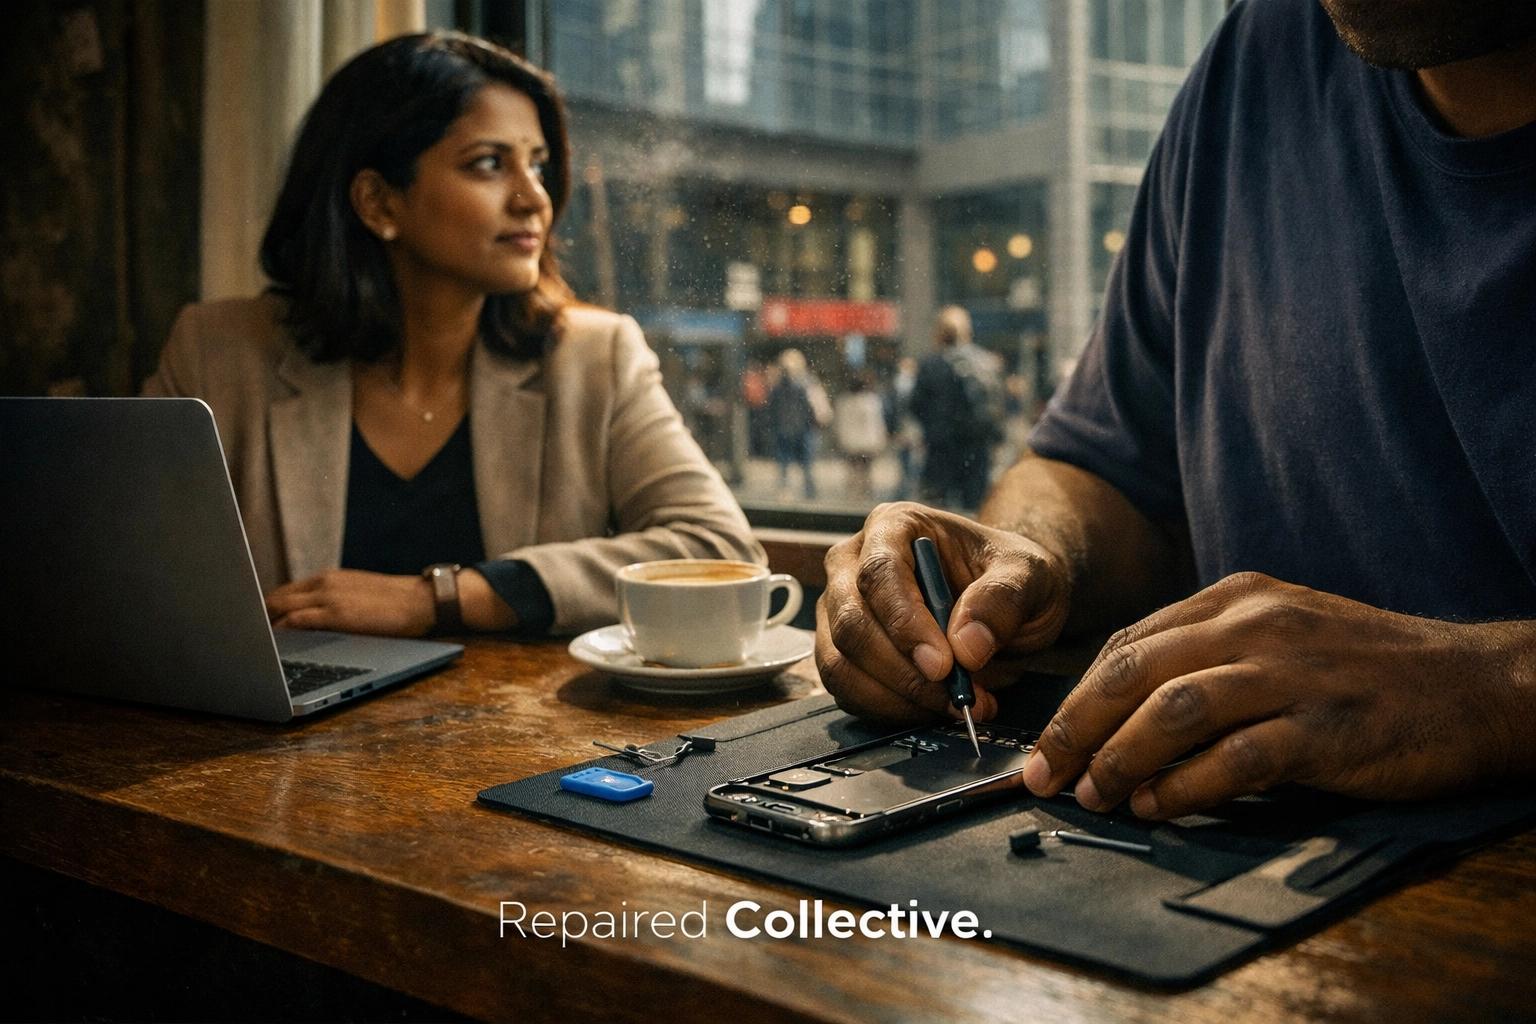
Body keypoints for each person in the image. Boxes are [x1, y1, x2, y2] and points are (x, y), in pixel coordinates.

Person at [817, 0, 1536, 822]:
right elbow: (1108, 473)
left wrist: (1489, 692)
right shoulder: (1259, 53)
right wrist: (1025, 560)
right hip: (1235, 837)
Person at [143, 33, 761, 639]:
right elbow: (125, 571)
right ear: (378, 203)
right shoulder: (218, 352)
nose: (533, 199)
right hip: (272, 736)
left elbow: (720, 548)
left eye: (537, 164)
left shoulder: (595, 356)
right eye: (489, 164)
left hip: (520, 735)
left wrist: (440, 598)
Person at [909, 306, 1003, 510]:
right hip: (976, 448)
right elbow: (996, 406)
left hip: (941, 447)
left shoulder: (931, 365)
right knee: (974, 509)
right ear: (967, 331)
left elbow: (916, 405)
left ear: (939, 333)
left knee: (935, 511)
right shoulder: (985, 362)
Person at [767, 348, 822, 500]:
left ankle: (786, 491)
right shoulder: (807, 381)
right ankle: (809, 492)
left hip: (785, 428)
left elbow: (772, 407)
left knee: (785, 463)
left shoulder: (779, 385)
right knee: (806, 463)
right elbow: (811, 406)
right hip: (803, 428)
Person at [832, 370, 887, 502]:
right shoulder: (872, 400)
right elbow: (877, 423)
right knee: (866, 471)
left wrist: (840, 439)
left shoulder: (843, 401)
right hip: (867, 442)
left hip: (850, 442)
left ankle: (852, 496)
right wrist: (881, 439)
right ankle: (865, 495)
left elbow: (839, 423)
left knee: (852, 470)